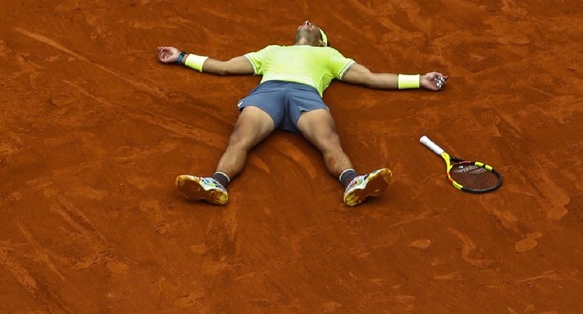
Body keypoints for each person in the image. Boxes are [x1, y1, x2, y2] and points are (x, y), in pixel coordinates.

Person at [157, 20, 447, 207]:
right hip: (267, 93)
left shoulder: (329, 56)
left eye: (315, 26)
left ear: (322, 41)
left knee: (329, 141)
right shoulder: (272, 51)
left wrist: (418, 78)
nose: (307, 22)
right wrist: (181, 56)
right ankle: (216, 183)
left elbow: (370, 78)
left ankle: (352, 182)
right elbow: (223, 66)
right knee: (239, 139)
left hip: (305, 95)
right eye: (304, 23)